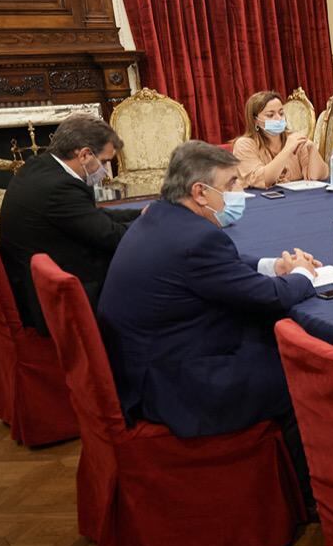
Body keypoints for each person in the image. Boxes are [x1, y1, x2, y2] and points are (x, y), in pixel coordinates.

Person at [97, 142, 320, 496]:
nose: (239, 190)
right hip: (176, 385)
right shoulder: (196, 240)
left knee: (273, 344)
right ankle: (306, 495)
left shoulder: (159, 216)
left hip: (146, 363)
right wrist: (304, 275)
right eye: (231, 183)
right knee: (305, 374)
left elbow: (217, 270)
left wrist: (274, 266)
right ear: (200, 192)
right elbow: (269, 297)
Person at [0, 113, 138, 334]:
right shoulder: (60, 188)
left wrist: (142, 214)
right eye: (103, 162)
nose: (103, 170)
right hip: (51, 301)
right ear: (84, 155)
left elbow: (93, 217)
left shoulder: (38, 166)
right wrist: (154, 227)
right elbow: (111, 237)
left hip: (38, 275)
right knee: (142, 275)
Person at [232, 90, 329, 188]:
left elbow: (316, 176)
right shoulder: (244, 145)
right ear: (255, 120)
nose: (278, 118)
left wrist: (311, 148)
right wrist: (287, 149)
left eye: (281, 113)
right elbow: (263, 180)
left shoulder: (294, 138)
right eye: (270, 115)